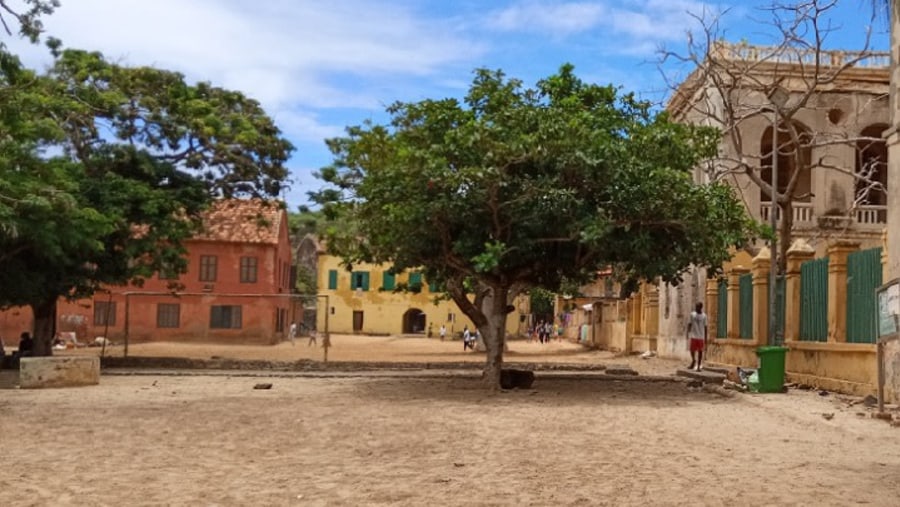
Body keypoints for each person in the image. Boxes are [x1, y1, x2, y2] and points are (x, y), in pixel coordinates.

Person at [686, 302, 708, 371]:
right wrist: (687, 332)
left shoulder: (704, 316)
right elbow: (689, 324)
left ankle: (698, 366)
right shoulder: (692, 314)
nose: (696, 308)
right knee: (692, 350)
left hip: (701, 336)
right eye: (696, 307)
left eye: (697, 307)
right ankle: (693, 360)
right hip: (693, 335)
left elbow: (705, 327)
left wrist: (706, 337)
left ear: (701, 307)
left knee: (700, 351)